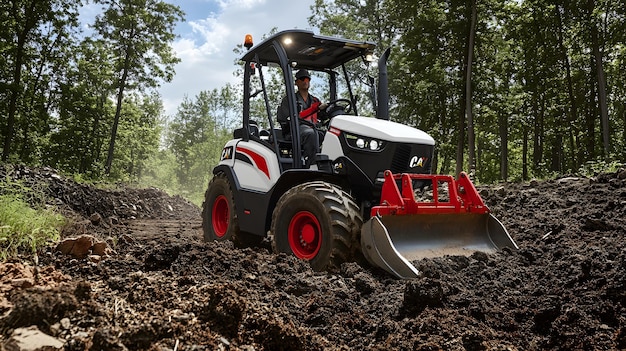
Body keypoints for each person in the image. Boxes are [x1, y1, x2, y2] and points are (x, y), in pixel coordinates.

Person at [277, 69, 327, 168]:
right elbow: (293, 117)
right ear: (296, 82)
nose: (305, 81)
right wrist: (315, 108)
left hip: (314, 128)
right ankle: (312, 166)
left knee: (329, 135)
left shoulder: (315, 100)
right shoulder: (289, 100)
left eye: (308, 79)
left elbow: (322, 116)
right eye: (302, 79)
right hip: (295, 131)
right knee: (311, 134)